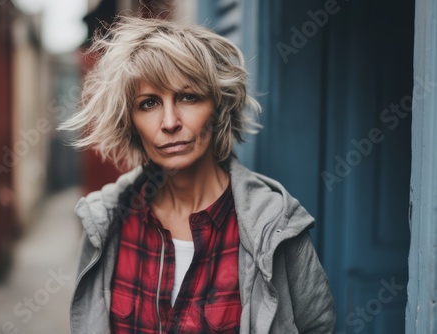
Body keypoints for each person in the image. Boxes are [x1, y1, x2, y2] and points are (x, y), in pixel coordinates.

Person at [60, 15, 336, 334]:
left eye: (188, 97)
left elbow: (317, 326)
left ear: (218, 107)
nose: (169, 121)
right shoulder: (106, 222)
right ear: (131, 121)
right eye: (148, 103)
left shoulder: (274, 227)